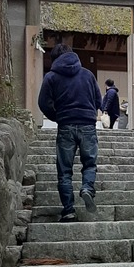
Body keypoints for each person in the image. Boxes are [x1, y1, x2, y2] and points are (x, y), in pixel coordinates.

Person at [38, 44, 101, 222]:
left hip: (66, 125)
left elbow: (43, 103)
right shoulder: (88, 74)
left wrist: (57, 116)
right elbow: (98, 100)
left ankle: (68, 210)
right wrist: (89, 113)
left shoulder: (51, 77)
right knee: (89, 164)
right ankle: (87, 188)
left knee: (64, 171)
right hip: (87, 125)